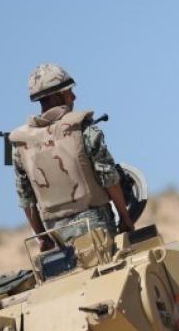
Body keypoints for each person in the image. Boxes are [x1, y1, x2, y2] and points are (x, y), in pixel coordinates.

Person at [9, 63, 135, 251]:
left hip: (56, 234)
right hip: (96, 226)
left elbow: (26, 199)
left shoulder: (20, 144)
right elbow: (108, 178)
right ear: (55, 96)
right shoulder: (83, 128)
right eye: (69, 92)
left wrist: (43, 237)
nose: (74, 97)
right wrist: (125, 217)